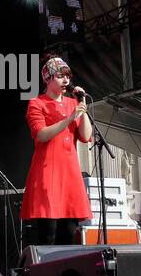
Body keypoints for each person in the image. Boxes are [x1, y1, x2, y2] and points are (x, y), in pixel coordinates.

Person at [21, 55, 92, 248]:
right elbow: (41, 135)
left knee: (69, 234)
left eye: (68, 76)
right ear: (47, 78)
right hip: (48, 173)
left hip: (69, 174)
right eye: (61, 76)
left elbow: (86, 136)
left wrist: (82, 107)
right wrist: (69, 119)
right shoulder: (37, 103)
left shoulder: (73, 104)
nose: (66, 81)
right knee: (48, 235)